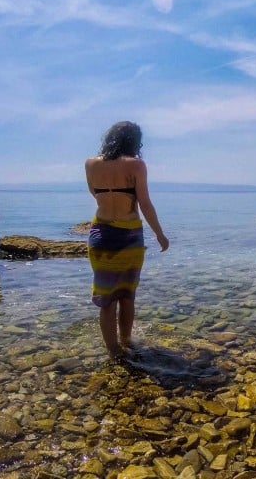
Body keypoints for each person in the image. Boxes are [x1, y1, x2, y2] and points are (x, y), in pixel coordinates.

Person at [84, 121, 169, 358]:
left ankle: (113, 351)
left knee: (106, 295)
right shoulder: (136, 165)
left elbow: (94, 193)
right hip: (129, 235)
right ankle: (127, 341)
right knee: (127, 294)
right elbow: (145, 203)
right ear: (134, 142)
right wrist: (159, 234)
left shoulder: (90, 164)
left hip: (100, 234)